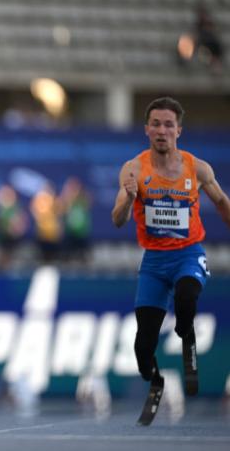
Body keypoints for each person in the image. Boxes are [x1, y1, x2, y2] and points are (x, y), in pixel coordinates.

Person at [111, 96, 230, 425]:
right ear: (147, 129)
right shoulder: (134, 169)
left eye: (168, 125)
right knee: (142, 349)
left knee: (187, 295)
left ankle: (185, 331)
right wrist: (130, 198)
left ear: (179, 130)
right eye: (156, 124)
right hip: (154, 261)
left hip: (188, 254)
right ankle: (157, 380)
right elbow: (117, 219)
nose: (162, 130)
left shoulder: (198, 168)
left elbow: (221, 202)